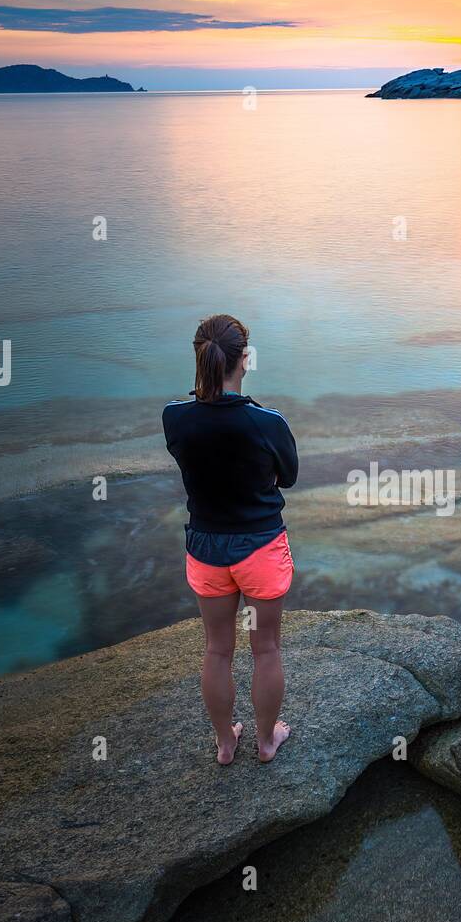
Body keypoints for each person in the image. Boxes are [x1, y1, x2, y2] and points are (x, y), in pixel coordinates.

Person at [163, 314, 298, 764]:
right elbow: (290, 477)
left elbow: (195, 459)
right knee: (266, 647)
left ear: (200, 358)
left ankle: (225, 743)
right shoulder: (267, 421)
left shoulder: (174, 417)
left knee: (217, 648)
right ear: (245, 360)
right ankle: (264, 741)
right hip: (259, 547)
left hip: (205, 548)